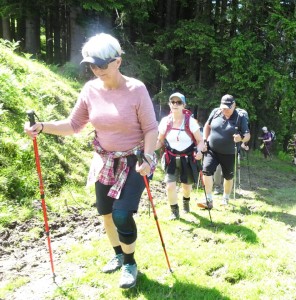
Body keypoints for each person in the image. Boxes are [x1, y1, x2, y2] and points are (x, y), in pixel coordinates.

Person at [24, 33, 158, 289]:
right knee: (106, 214)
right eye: (92, 66)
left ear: (117, 61)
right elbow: (74, 125)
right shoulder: (90, 90)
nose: (96, 70)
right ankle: (118, 255)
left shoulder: (136, 89)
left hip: (135, 160)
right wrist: (42, 127)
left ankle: (130, 263)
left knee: (121, 214)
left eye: (101, 65)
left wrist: (149, 158)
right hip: (105, 162)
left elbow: (151, 129)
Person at [155, 92, 204, 220]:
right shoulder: (165, 121)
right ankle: (174, 211)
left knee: (186, 186)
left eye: (179, 102)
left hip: (187, 158)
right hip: (170, 157)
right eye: (173, 102)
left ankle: (186, 202)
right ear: (169, 104)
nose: (175, 104)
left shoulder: (191, 122)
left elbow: (200, 141)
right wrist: (148, 150)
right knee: (170, 186)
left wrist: (199, 152)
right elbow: (160, 141)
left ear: (184, 105)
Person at [198, 94, 250, 208]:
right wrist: (205, 141)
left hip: (229, 153)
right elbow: (207, 125)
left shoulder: (240, 117)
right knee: (206, 171)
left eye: (227, 108)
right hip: (212, 149)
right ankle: (208, 199)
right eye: (223, 107)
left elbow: (247, 135)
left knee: (228, 177)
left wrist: (240, 138)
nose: (225, 110)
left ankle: (225, 198)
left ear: (234, 105)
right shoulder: (216, 112)